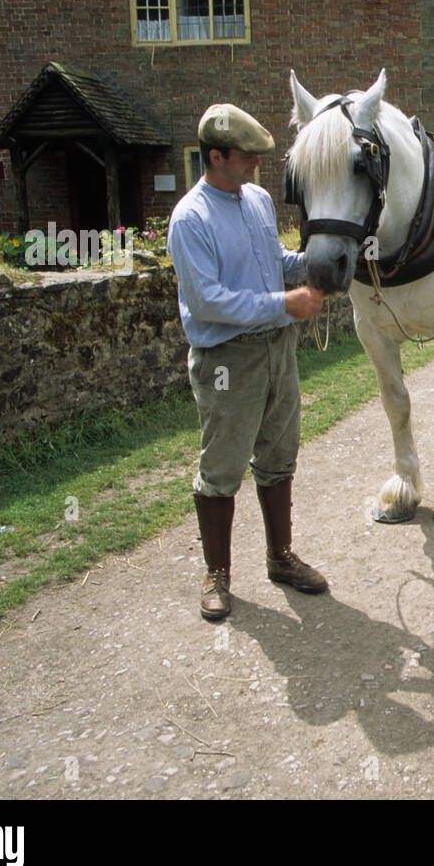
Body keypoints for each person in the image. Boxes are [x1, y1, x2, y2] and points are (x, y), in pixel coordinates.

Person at [168, 103, 328, 621]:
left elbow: (273, 262)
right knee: (222, 469)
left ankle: (280, 558)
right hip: (227, 358)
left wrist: (316, 261)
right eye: (247, 157)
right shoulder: (191, 218)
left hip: (276, 350)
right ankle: (216, 574)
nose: (257, 167)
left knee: (279, 454)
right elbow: (210, 299)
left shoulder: (256, 200)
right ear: (215, 157)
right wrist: (284, 303)